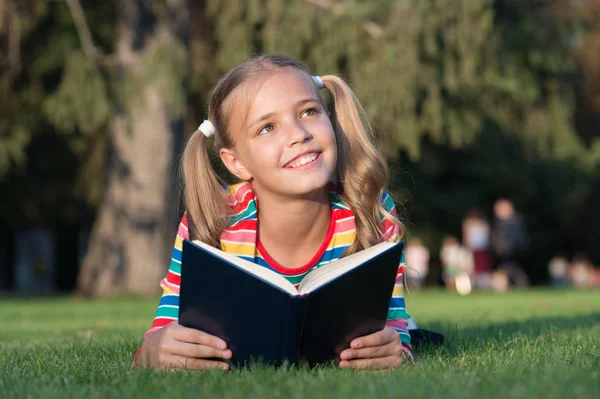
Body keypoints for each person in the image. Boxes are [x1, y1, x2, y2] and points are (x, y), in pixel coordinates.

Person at [135, 54, 412, 371]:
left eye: (308, 111)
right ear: (236, 162)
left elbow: (394, 327)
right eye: (267, 128)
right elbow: (165, 329)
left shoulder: (370, 208)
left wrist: (396, 348)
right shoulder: (211, 222)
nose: (298, 134)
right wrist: (154, 351)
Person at [491, 199, 529, 288]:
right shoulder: (499, 223)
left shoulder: (514, 223)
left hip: (511, 253)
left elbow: (518, 240)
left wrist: (506, 249)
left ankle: (520, 285)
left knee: (513, 271)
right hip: (502, 253)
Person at [462, 210, 493, 289]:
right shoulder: (470, 223)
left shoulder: (481, 224)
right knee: (473, 268)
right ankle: (472, 285)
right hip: (474, 249)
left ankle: (482, 285)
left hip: (481, 249)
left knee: (481, 268)